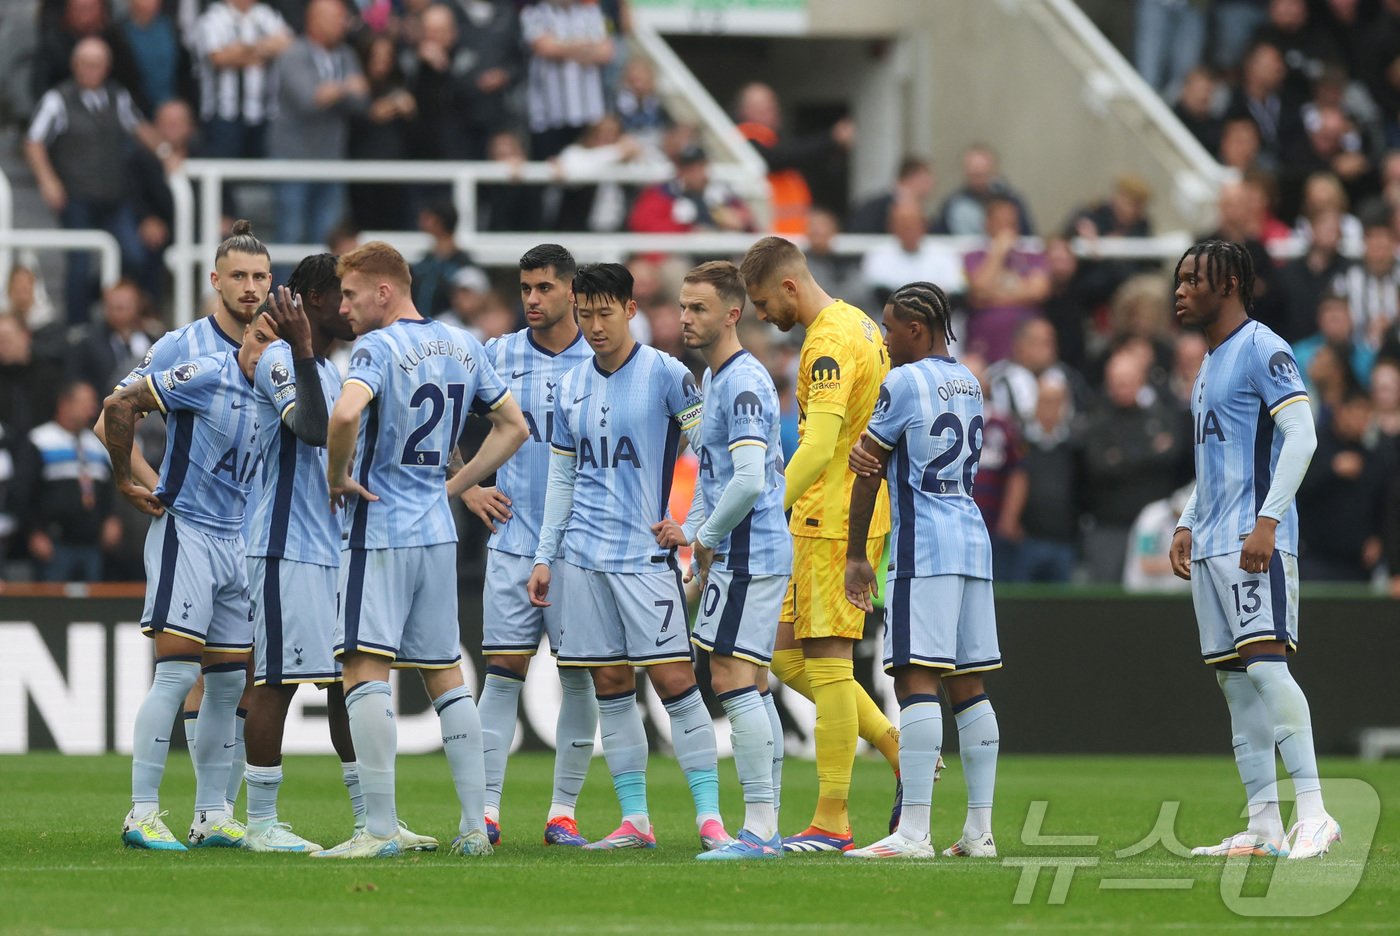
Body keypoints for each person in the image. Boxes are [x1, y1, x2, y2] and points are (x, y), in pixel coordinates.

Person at [318, 241, 529, 859]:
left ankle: (379, 830)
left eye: (352, 295)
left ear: (384, 291)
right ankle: (472, 828)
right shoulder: (465, 343)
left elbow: (345, 414)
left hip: (377, 527)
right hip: (437, 530)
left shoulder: (377, 348)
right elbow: (513, 426)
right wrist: (455, 487)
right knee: (447, 677)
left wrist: (337, 476)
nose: (346, 308)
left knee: (363, 670)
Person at [525, 263, 727, 852]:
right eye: (584, 314)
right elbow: (562, 480)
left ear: (630, 310)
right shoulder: (571, 385)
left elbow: (710, 452)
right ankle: (635, 819)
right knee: (610, 682)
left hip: (643, 557)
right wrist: (545, 555)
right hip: (582, 559)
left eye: (604, 313)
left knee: (675, 681)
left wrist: (693, 528)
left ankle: (710, 819)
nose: (593, 326)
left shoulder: (668, 376)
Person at [102, 253, 282, 851]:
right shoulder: (186, 349)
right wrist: (142, 481)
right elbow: (112, 416)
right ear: (216, 282)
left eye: (260, 277)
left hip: (242, 539)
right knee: (177, 671)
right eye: (240, 277)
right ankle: (142, 812)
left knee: (230, 685)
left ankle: (212, 815)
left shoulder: (275, 360)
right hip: (189, 529)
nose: (251, 288)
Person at [1169, 239, 1341, 860]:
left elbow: (1302, 434)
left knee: (1268, 667)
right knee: (1236, 685)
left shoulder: (1264, 348)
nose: (1181, 289)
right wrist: (1188, 519)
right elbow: (1216, 460)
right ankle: (1264, 824)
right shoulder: (1210, 361)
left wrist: (1268, 521)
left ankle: (1316, 812)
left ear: (1232, 282)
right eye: (1180, 278)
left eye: (1194, 278)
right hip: (1213, 541)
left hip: (1253, 542)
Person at [738, 236, 902, 853]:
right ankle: (895, 743)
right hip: (826, 517)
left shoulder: (828, 344)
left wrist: (765, 503)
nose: (761, 316)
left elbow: (819, 443)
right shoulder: (858, 322)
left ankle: (832, 818)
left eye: (761, 301)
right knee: (782, 656)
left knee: (831, 667)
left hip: (836, 520)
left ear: (788, 286)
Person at [240, 258, 396, 854]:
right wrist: (303, 346)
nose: (352, 307)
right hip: (285, 545)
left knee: (343, 686)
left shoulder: (335, 370)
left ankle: (369, 822)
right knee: (277, 680)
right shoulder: (284, 358)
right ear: (307, 302)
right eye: (342, 296)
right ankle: (259, 823)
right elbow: (308, 428)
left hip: (332, 548)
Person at [844, 282, 1001, 860]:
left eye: (889, 328)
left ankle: (913, 832)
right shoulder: (971, 382)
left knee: (914, 679)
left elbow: (868, 470)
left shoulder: (902, 381)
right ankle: (979, 832)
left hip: (923, 546)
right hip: (972, 538)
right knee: (970, 685)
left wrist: (858, 554)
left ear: (915, 329)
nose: (885, 339)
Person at [456, 245, 597, 849]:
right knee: (503, 673)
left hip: (582, 547)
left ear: (571, 290)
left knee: (581, 679)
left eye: (543, 288)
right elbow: (440, 426)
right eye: (525, 289)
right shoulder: (498, 354)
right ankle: (485, 811)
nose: (533, 300)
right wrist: (467, 490)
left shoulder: (605, 356)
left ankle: (563, 811)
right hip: (514, 540)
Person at [660, 260, 791, 860]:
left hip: (749, 549)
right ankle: (767, 824)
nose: (686, 318)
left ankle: (760, 829)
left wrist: (704, 539)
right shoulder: (714, 379)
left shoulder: (740, 382)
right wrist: (690, 528)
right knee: (752, 683)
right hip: (736, 549)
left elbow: (746, 482)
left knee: (733, 678)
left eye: (699, 309)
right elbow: (719, 479)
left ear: (732, 314)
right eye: (684, 307)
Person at [24, 37, 163, 325]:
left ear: (107, 67)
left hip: (114, 195)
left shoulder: (117, 96)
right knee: (80, 264)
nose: (91, 69)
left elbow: (139, 128)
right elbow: (33, 142)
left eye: (97, 64)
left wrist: (166, 152)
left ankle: (126, 315)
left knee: (135, 256)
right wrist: (48, 180)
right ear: (75, 65)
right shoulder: (58, 99)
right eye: (86, 63)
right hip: (77, 196)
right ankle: (78, 327)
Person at [267, 0, 368, 248]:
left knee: (328, 234)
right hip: (293, 159)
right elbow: (308, 99)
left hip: (331, 158)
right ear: (315, 20)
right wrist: (345, 88)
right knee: (291, 234)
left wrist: (333, 92)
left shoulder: (346, 55)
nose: (341, 25)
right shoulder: (293, 54)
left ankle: (320, 288)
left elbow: (362, 100)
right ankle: (286, 287)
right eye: (336, 18)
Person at [27, 380, 119, 582]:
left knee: (90, 611)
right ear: (65, 404)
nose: (92, 408)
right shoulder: (40, 441)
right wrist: (33, 532)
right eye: (85, 402)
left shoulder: (96, 444)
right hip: (54, 544)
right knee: (53, 609)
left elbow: (108, 488)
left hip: (92, 545)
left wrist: (111, 517)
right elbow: (25, 492)